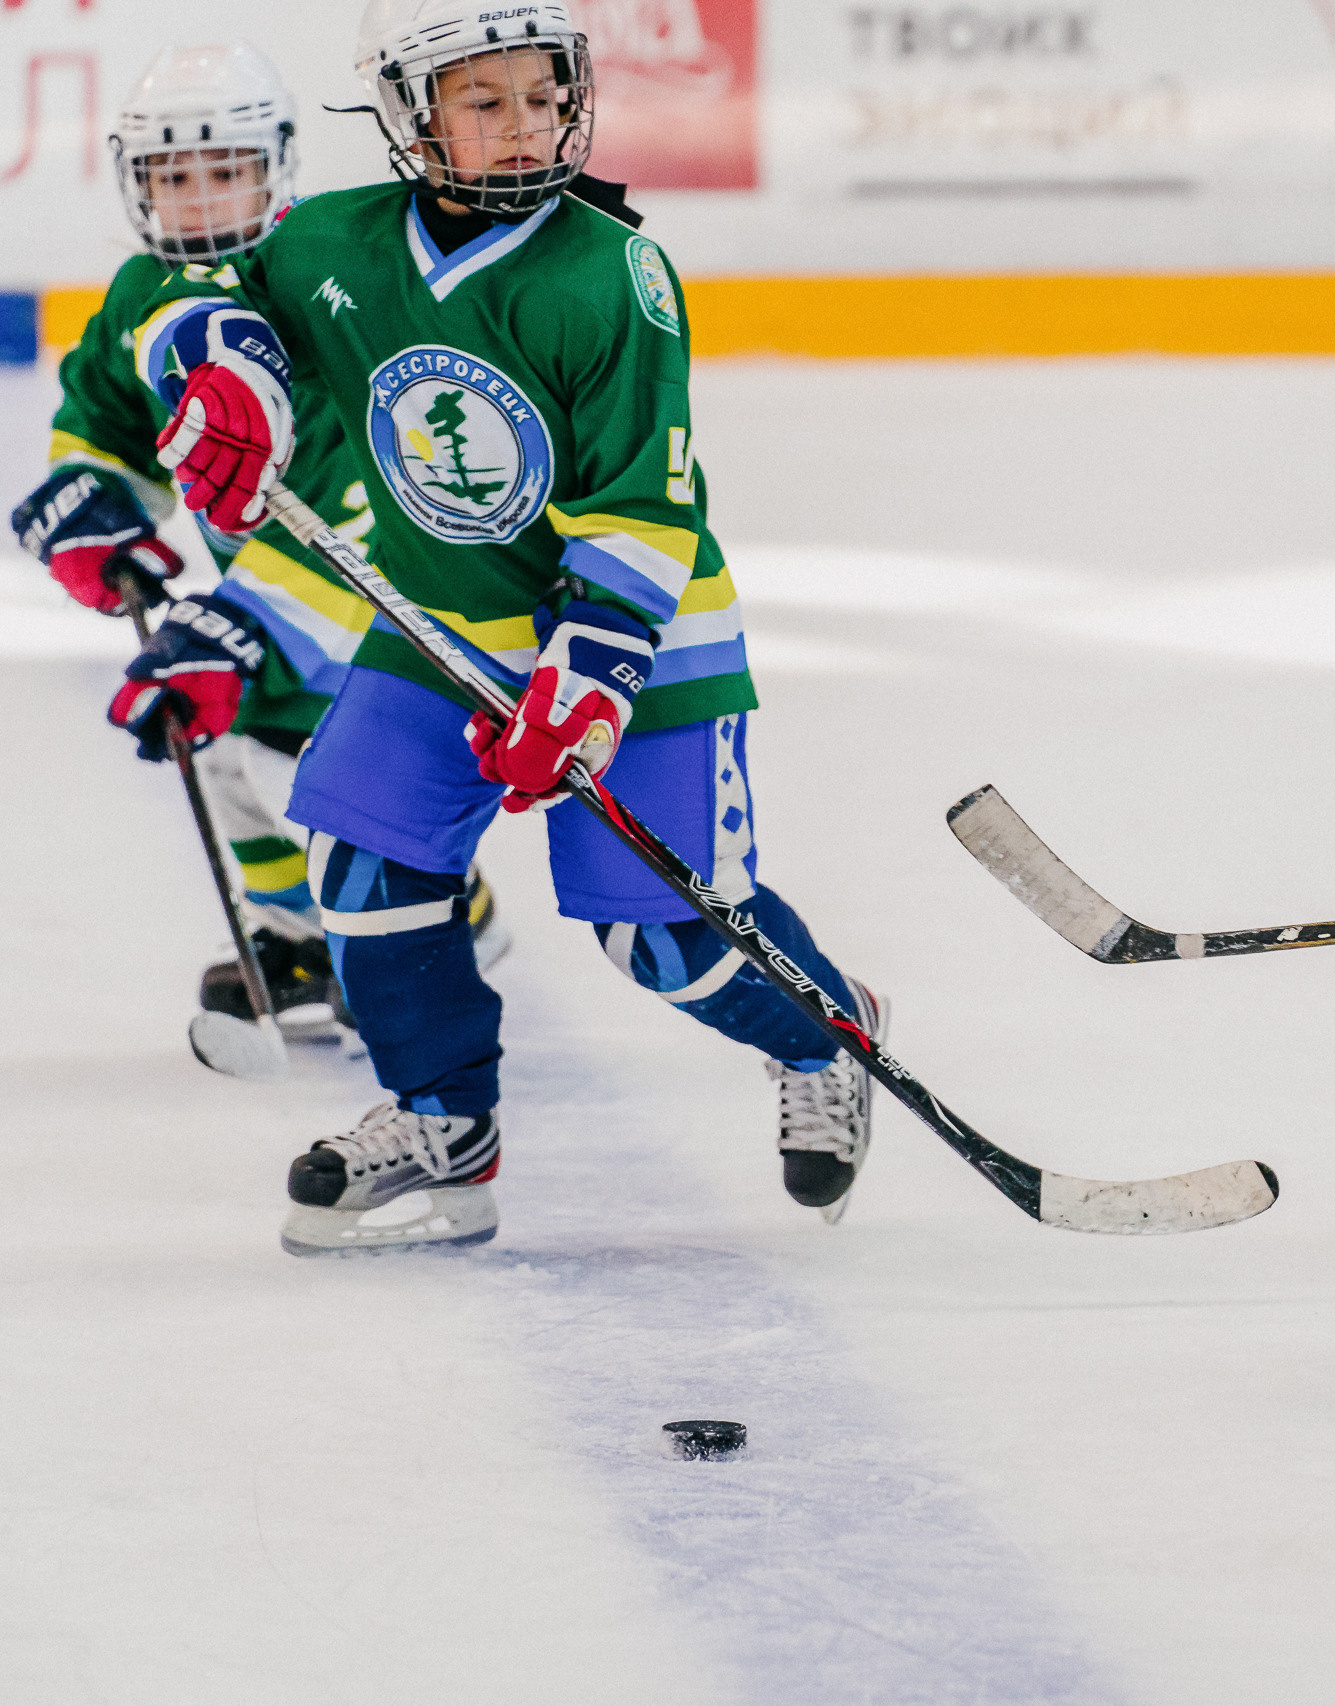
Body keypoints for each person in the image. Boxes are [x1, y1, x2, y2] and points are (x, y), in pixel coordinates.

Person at [127, 0, 882, 1254]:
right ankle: (443, 1125)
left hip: (640, 639)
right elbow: (196, 298)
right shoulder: (332, 242)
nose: (526, 124)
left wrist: (584, 685)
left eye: (543, 95)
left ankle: (826, 1032)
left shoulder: (610, 271)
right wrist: (229, 373)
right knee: (364, 868)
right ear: (411, 114)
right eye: (484, 101)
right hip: (439, 626)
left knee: (661, 935)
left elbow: (643, 507)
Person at [9, 42, 503, 1045]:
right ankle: (292, 935)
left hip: (394, 601)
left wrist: (239, 626)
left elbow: (375, 506)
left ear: (276, 164)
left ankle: (443, 922)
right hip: (275, 597)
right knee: (222, 748)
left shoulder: (330, 286)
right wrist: (94, 496)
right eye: (173, 176)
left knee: (348, 781)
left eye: (225, 170)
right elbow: (109, 420)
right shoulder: (141, 293)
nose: (199, 200)